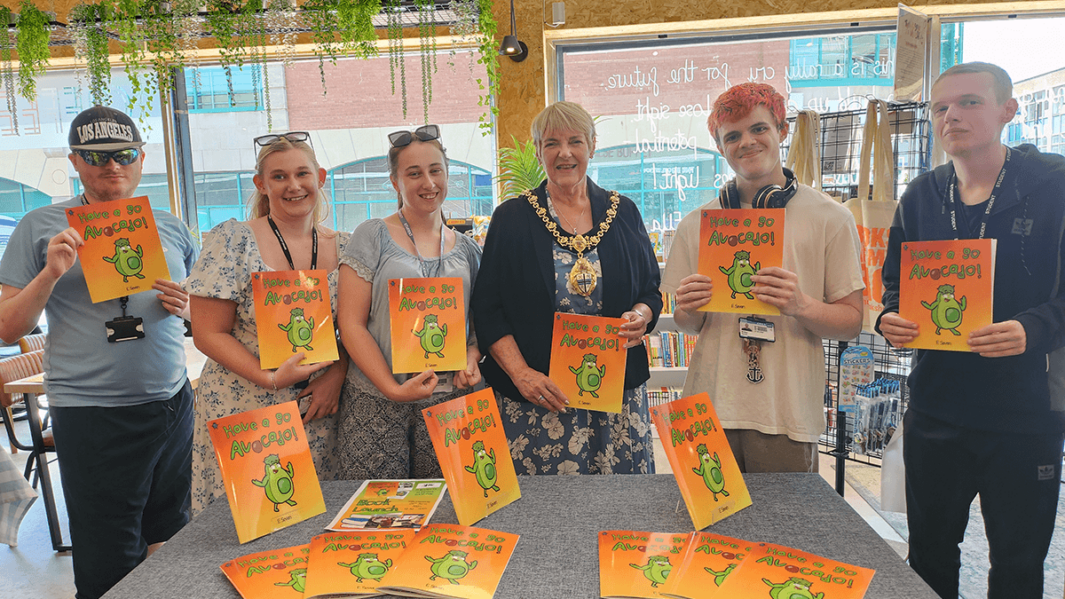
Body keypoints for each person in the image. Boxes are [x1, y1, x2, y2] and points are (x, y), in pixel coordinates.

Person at [877, 62, 1065, 599]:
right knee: (929, 555)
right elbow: (895, 284)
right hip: (937, 411)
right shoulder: (921, 195)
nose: (951, 115)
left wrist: (1034, 329)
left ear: (1008, 110)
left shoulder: (1053, 185)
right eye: (941, 107)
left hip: (1026, 412)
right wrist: (891, 317)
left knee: (1018, 563)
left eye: (969, 103)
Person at [0, 105, 199, 599]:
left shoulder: (169, 224)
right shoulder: (41, 225)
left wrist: (190, 304)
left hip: (172, 401)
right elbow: (7, 329)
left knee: (170, 536)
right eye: (96, 156)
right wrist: (50, 273)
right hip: (93, 413)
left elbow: (198, 306)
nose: (112, 165)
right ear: (75, 160)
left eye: (123, 154)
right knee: (107, 558)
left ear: (141, 158)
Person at [661, 83, 864, 473]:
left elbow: (851, 323)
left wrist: (801, 305)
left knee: (784, 534)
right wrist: (689, 308)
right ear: (720, 147)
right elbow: (688, 326)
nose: (746, 143)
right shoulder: (697, 225)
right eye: (732, 136)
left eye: (759, 129)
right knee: (707, 532)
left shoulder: (831, 218)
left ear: (782, 131)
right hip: (709, 408)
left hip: (785, 415)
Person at [471, 101, 661, 475]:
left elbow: (651, 290)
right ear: (539, 151)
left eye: (575, 141)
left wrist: (641, 316)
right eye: (551, 143)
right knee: (545, 516)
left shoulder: (624, 213)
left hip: (616, 399)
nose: (564, 152)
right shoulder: (511, 218)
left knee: (620, 509)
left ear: (592, 145)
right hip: (538, 400)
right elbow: (488, 308)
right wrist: (521, 374)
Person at [185, 132, 347, 514]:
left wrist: (336, 374)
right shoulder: (233, 241)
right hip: (244, 405)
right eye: (278, 177)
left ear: (320, 178)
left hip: (316, 407)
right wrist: (271, 378)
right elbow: (208, 333)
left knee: (310, 516)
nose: (293, 186)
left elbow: (355, 327)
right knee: (247, 520)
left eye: (302, 174)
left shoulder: (347, 245)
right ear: (261, 184)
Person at [335, 124, 482, 479]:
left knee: (448, 515)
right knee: (380, 516)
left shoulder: (468, 250)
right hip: (376, 402)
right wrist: (391, 388)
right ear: (395, 181)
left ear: (448, 175)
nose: (427, 183)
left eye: (435, 171)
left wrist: (471, 359)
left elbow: (476, 330)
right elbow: (350, 324)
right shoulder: (372, 235)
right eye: (413, 173)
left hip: (448, 403)